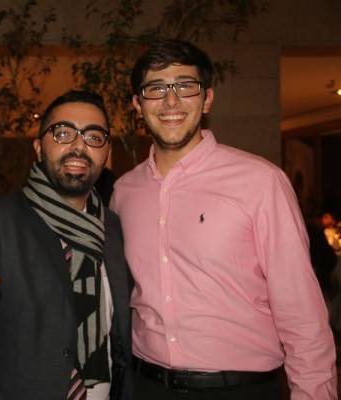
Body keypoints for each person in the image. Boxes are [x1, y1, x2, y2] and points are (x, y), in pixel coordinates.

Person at [110, 39, 337, 399]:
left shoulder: (260, 182)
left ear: (207, 99)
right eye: (156, 88)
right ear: (138, 104)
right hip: (146, 386)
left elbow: (300, 309)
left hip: (240, 389)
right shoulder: (124, 192)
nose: (171, 101)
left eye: (186, 86)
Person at [0, 90, 132, 400]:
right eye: (63, 133)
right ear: (38, 147)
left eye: (93, 137)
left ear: (106, 152)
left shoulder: (112, 227)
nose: (79, 146)